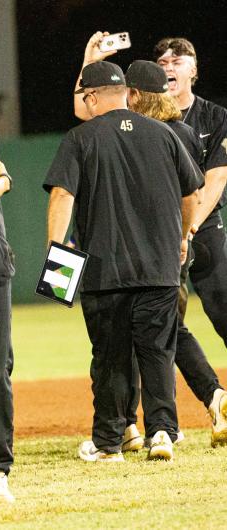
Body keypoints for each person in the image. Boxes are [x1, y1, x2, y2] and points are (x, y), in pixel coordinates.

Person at [45, 61, 203, 463]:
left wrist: (56, 257)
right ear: (127, 94)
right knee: (158, 355)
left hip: (105, 271)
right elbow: (193, 194)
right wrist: (182, 237)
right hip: (159, 268)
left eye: (86, 96)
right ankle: (163, 433)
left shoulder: (81, 137)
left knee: (111, 359)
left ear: (94, 96)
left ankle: (109, 443)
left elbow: (63, 196)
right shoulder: (164, 134)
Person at [155, 37, 227, 443]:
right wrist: (90, 60)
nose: (169, 65)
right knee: (163, 323)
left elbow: (216, 179)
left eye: (177, 60)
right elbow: (85, 109)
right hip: (162, 235)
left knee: (224, 309)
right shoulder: (144, 117)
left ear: (193, 70)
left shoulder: (215, 116)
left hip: (203, 228)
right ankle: (167, 420)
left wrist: (190, 227)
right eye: (162, 60)